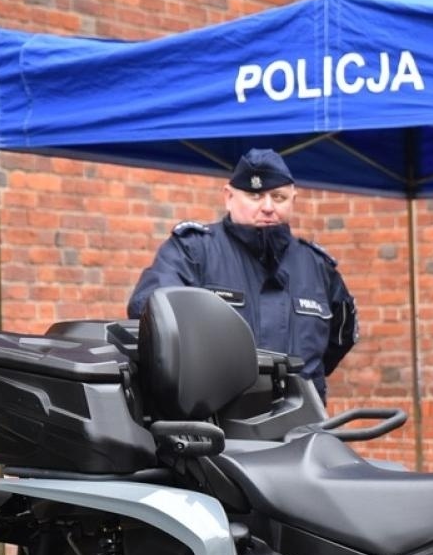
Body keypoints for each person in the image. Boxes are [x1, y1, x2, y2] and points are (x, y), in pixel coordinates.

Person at [128, 148, 357, 401]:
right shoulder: (193, 252)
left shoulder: (317, 267)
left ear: (294, 199)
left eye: (278, 197)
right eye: (254, 195)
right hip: (221, 424)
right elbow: (152, 310)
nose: (268, 207)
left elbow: (340, 338)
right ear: (228, 197)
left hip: (303, 425)